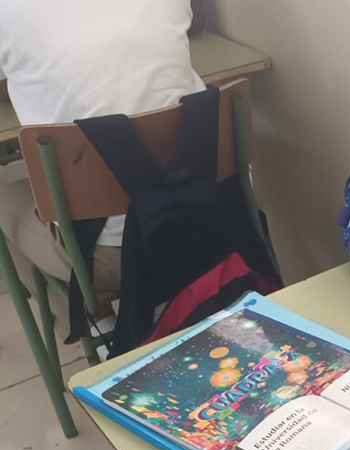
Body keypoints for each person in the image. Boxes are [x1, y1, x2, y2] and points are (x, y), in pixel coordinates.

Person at [0, 0, 205, 319]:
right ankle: (172, 299)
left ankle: (101, 327)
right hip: (219, 213)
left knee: (6, 195)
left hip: (111, 257)